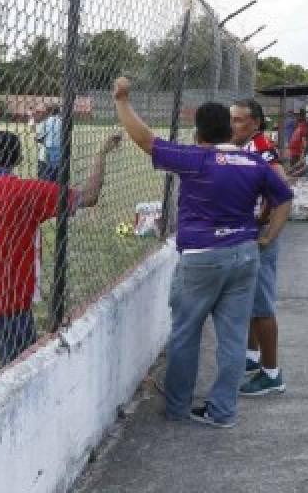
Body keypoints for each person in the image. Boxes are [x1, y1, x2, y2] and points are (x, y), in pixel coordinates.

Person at [114, 77, 292, 429]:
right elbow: (284, 196)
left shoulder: (194, 158)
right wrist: (269, 236)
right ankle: (222, 412)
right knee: (232, 337)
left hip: (202, 257)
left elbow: (145, 139)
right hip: (244, 254)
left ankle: (179, 407)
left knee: (186, 333)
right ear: (230, 130)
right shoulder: (252, 162)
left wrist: (122, 101)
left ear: (199, 134)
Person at [0, 129, 119, 425]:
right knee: (23, 374)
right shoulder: (28, 192)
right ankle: (19, 426)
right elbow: (88, 197)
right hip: (5, 303)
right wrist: (101, 153)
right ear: (18, 158)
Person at [230, 100, 290, 398]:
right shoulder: (246, 146)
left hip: (260, 235)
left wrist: (263, 222)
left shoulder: (261, 149)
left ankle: (271, 373)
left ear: (255, 123)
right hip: (252, 232)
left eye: (239, 120)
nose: (232, 126)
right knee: (252, 302)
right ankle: (253, 357)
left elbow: (281, 188)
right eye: (231, 120)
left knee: (262, 305)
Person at [36, 105, 61, 181]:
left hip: (48, 149)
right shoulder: (63, 122)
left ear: (48, 112)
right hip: (60, 149)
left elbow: (39, 138)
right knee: (57, 172)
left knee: (45, 173)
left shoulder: (45, 122)